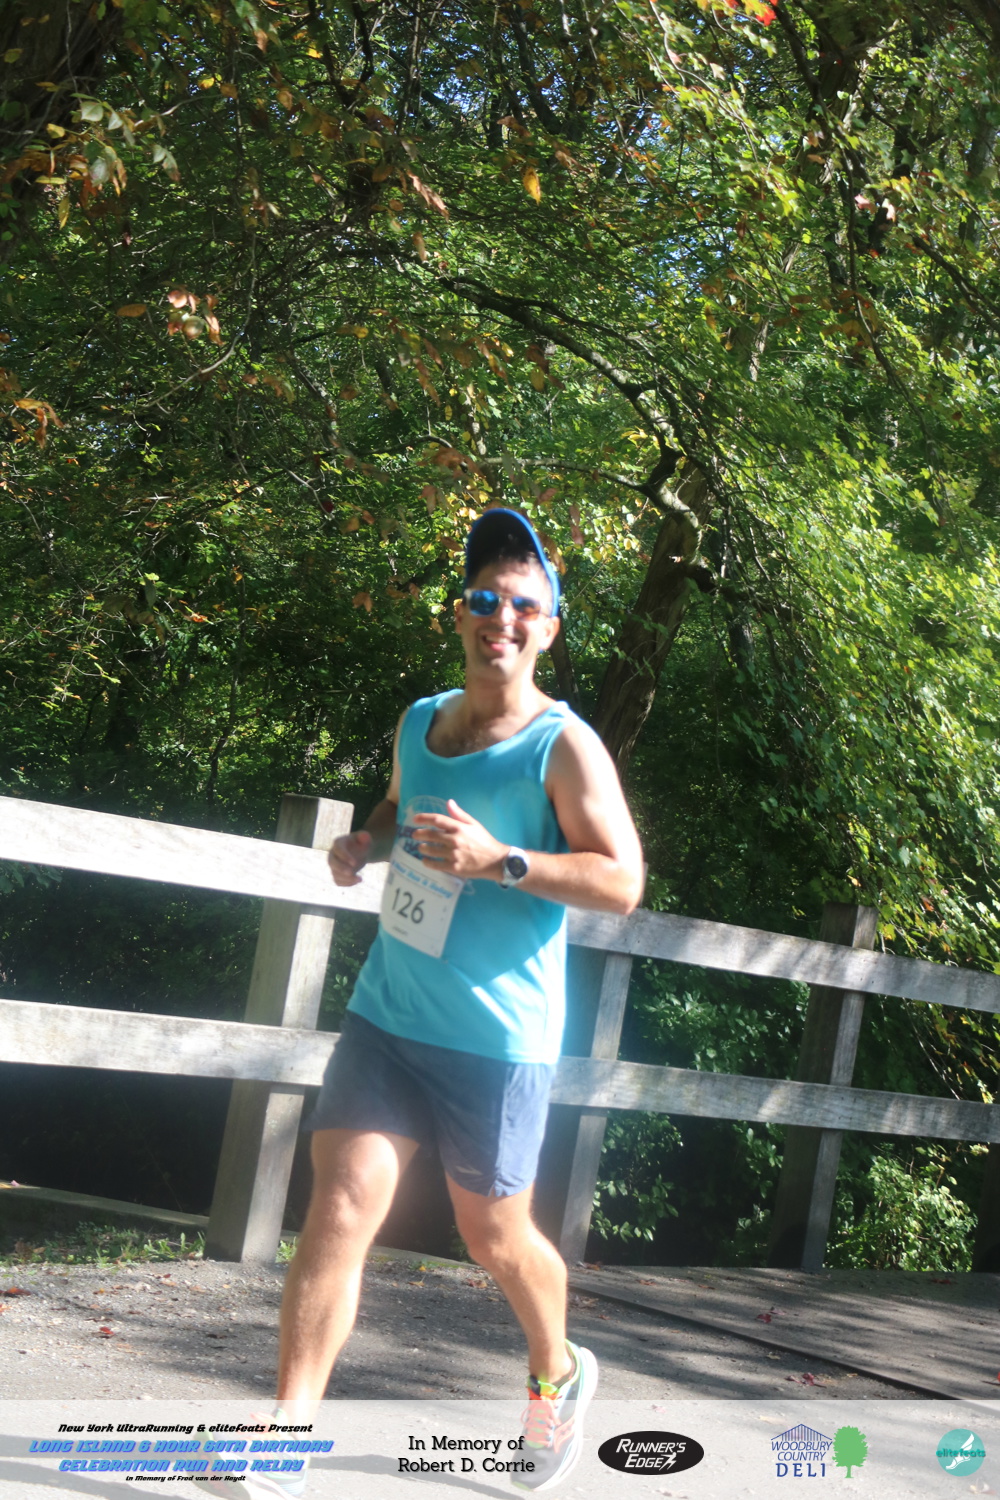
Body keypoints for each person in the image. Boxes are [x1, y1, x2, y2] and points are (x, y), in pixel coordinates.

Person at [221, 509, 643, 1500]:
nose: (502, 618)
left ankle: (559, 1372)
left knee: (493, 1237)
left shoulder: (563, 748)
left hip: (496, 1041)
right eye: (485, 599)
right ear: (460, 614)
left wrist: (502, 860)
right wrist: (365, 843)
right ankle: (286, 1432)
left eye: (524, 606)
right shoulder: (421, 721)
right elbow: (398, 800)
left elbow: (623, 881)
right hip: (388, 1015)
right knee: (338, 1207)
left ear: (547, 628)